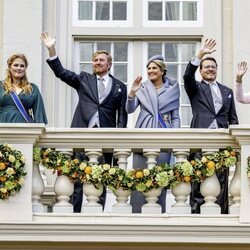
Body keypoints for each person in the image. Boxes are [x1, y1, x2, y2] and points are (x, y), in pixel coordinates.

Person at [40, 32, 128, 212]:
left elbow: (122, 115)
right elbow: (61, 73)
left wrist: (118, 139)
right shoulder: (83, 80)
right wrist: (51, 49)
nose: (97, 63)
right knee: (78, 177)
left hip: (105, 139)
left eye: (101, 60)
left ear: (109, 64)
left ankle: (98, 212)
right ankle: (75, 212)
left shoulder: (120, 86)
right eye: (95, 60)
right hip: (81, 136)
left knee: (101, 177)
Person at [183, 38, 239, 214]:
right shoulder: (195, 88)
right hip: (201, 140)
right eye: (206, 66)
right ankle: (197, 214)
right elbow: (187, 75)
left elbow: (233, 119)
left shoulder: (226, 91)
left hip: (222, 142)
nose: (210, 69)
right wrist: (201, 54)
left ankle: (221, 213)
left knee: (221, 179)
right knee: (198, 177)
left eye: (213, 67)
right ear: (200, 70)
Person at [126, 55, 180, 213]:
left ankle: (159, 211)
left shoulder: (172, 90)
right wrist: (132, 93)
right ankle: (136, 212)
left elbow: (175, 117)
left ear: (162, 70)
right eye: (148, 68)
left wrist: (175, 137)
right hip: (144, 131)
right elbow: (129, 109)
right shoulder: (142, 88)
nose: (150, 71)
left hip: (163, 134)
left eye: (154, 68)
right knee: (139, 176)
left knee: (159, 177)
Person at [0, 53, 47, 124]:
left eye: (22, 66)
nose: (19, 68)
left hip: (25, 129)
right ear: (10, 67)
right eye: (16, 65)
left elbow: (39, 114)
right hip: (3, 126)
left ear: (25, 68)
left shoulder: (33, 88)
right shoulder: (1, 86)